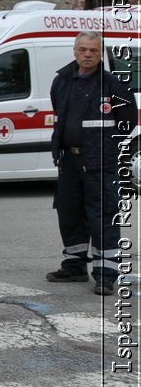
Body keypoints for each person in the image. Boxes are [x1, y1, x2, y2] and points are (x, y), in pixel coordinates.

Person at [47, 32, 137, 297]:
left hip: (100, 163)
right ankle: (74, 266)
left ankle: (106, 275)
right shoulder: (62, 81)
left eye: (93, 51)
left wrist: (107, 149)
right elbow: (59, 114)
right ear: (75, 51)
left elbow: (127, 121)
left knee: (103, 217)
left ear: (100, 54)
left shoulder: (113, 85)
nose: (88, 55)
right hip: (69, 161)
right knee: (69, 212)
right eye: (83, 49)